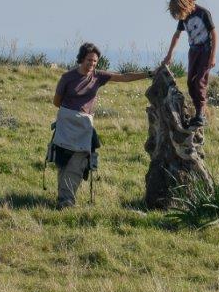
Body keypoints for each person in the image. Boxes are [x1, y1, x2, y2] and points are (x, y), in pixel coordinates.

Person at [51, 42, 149, 208]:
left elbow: (124, 77)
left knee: (79, 159)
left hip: (84, 125)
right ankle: (64, 199)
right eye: (89, 60)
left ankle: (66, 199)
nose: (92, 64)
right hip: (67, 123)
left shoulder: (98, 76)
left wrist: (149, 73)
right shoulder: (67, 77)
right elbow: (56, 102)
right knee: (63, 159)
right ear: (82, 59)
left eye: (95, 61)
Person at [160, 0, 218, 128]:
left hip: (206, 50)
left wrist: (213, 55)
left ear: (185, 5)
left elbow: (214, 33)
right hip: (193, 51)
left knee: (199, 82)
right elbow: (177, 35)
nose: (179, 15)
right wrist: (169, 55)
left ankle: (200, 114)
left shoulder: (203, 13)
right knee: (190, 83)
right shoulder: (183, 17)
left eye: (179, 11)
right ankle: (198, 112)